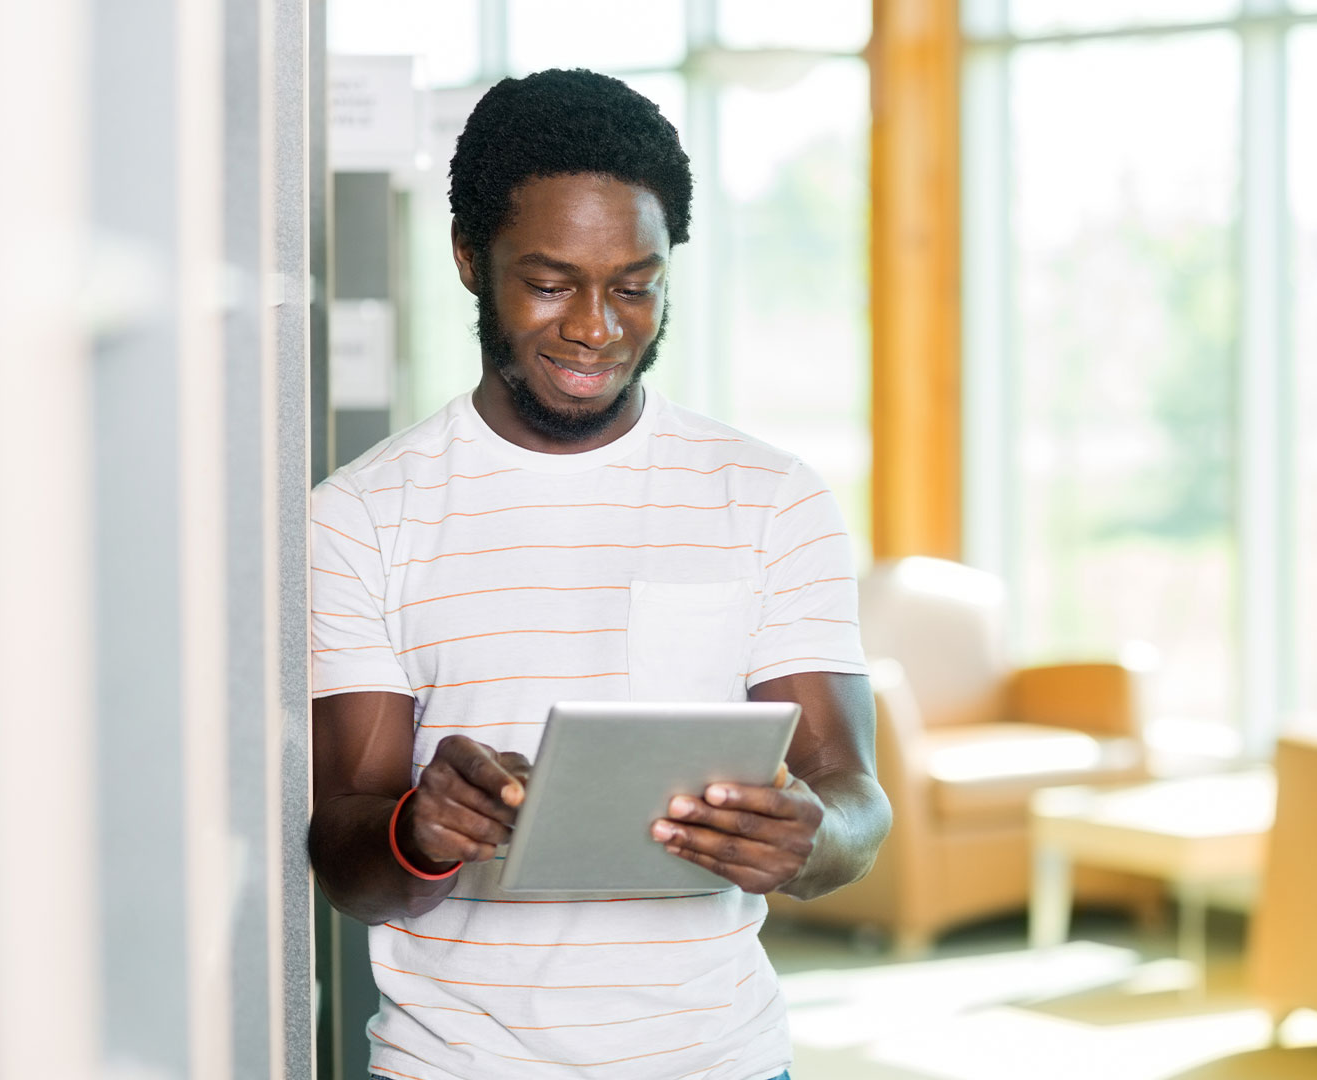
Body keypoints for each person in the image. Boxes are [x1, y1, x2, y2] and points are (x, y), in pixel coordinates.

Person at [307, 68, 890, 1080]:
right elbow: (350, 864)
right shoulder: (360, 516)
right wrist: (421, 831)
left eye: (634, 285)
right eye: (549, 282)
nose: (595, 326)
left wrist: (810, 839)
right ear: (468, 260)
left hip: (726, 1061)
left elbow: (855, 800)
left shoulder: (772, 497)